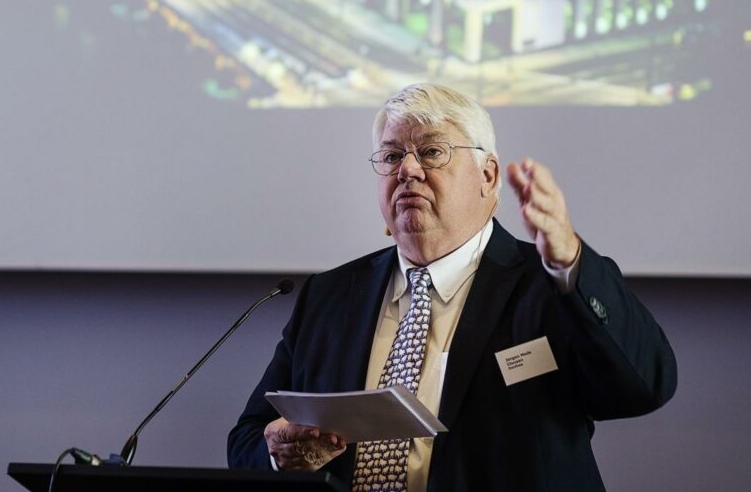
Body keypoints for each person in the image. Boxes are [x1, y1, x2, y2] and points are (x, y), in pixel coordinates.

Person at [228, 83, 676, 491]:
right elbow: (248, 439)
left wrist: (569, 262)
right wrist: (278, 452)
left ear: (488, 177)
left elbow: (645, 386)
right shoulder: (329, 296)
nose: (407, 170)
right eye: (390, 156)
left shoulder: (549, 283)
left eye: (431, 152)